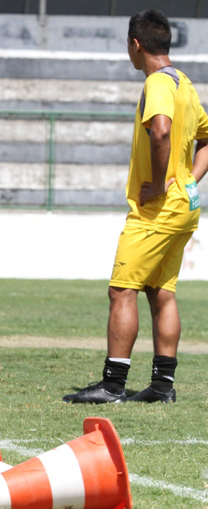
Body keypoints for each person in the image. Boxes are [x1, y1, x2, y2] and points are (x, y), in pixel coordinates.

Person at [64, 9, 208, 404]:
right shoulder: (185, 84)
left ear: (136, 44)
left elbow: (160, 131)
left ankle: (112, 385)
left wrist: (160, 183)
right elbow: (206, 138)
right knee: (161, 293)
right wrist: (190, 180)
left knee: (121, 290)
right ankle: (162, 386)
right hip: (184, 205)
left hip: (157, 209)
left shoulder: (158, 82)